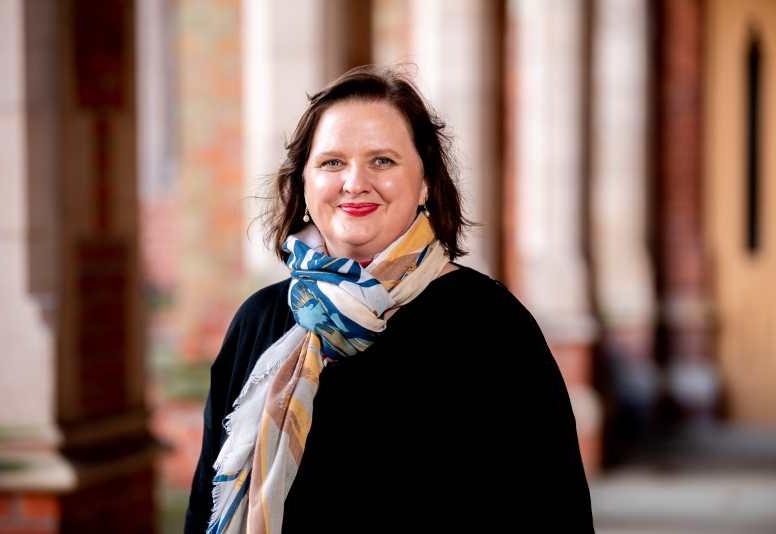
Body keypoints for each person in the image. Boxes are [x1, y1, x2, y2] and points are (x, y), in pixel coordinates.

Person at [184, 64, 595, 533]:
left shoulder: (490, 325)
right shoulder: (260, 322)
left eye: (382, 160)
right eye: (332, 162)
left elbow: (554, 511)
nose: (354, 182)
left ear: (424, 183)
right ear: (303, 184)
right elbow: (203, 508)